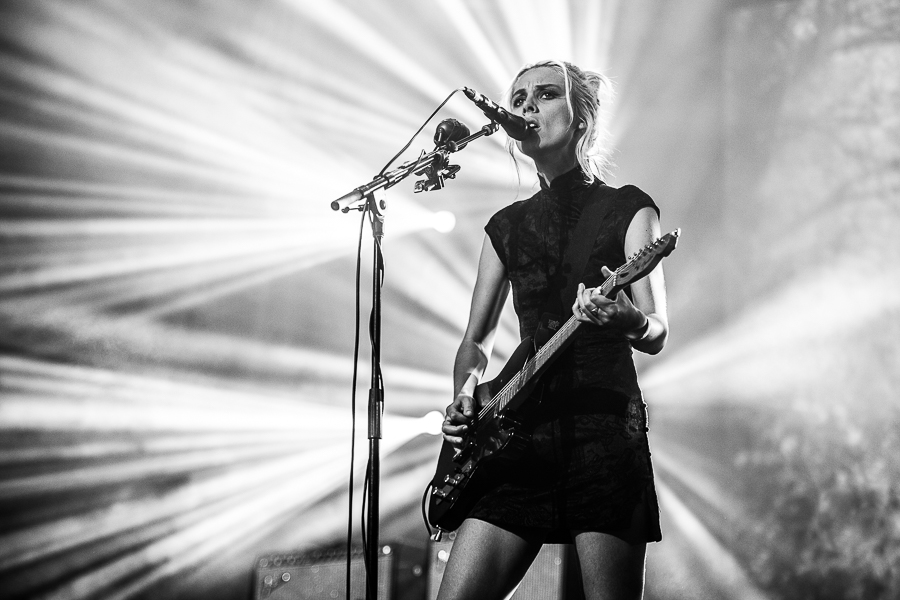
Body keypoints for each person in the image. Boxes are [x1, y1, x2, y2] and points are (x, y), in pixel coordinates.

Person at [437, 60, 669, 600]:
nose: (526, 106)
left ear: (581, 118)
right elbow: (474, 342)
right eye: (518, 99)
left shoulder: (628, 208)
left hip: (601, 432)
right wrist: (465, 392)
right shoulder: (507, 226)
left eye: (545, 94)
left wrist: (627, 319)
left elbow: (657, 330)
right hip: (515, 439)